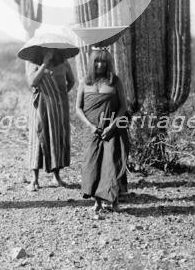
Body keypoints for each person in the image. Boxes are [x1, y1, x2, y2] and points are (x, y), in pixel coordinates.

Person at [18, 34, 78, 191]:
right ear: (39, 50)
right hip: (39, 107)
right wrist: (44, 65)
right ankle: (34, 179)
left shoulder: (63, 63)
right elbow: (32, 82)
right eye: (46, 48)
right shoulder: (32, 63)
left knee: (56, 139)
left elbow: (71, 81)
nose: (50, 50)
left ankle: (56, 177)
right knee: (38, 138)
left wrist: (61, 95)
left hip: (58, 108)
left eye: (52, 48)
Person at [76, 48, 129, 213]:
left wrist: (112, 126)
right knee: (92, 164)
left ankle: (114, 201)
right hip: (92, 130)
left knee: (111, 163)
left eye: (104, 62)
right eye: (97, 61)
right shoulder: (85, 82)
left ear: (108, 64)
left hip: (112, 128)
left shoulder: (115, 81)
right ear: (92, 63)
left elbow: (123, 106)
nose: (100, 64)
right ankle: (97, 201)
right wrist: (90, 126)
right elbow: (78, 108)